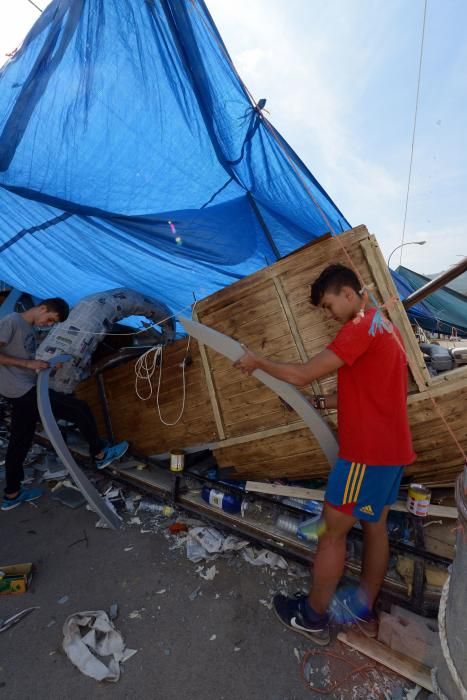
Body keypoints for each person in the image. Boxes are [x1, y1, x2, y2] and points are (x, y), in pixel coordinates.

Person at [234, 264, 415, 645]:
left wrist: (258, 363)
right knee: (375, 528)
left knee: (332, 536)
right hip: (392, 452)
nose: (330, 316)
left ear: (349, 294)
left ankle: (312, 617)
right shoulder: (385, 327)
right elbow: (368, 389)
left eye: (330, 305)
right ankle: (361, 608)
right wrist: (318, 402)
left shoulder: (359, 328)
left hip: (363, 457)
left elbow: (302, 374)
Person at [0, 298, 129, 511]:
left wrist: (46, 366)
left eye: (52, 323)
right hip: (21, 391)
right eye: (49, 319)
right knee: (79, 409)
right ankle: (99, 454)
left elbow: (21, 363)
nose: (48, 325)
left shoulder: (29, 329)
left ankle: (12, 494)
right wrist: (28, 363)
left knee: (20, 441)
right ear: (42, 308)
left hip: (22, 388)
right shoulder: (13, 321)